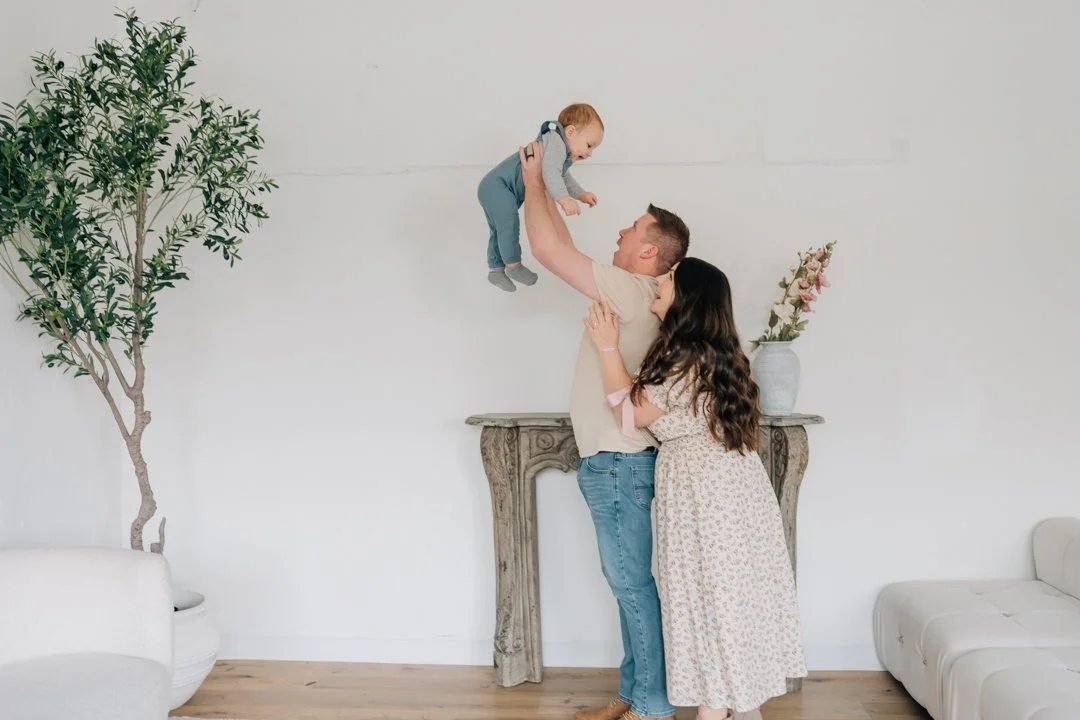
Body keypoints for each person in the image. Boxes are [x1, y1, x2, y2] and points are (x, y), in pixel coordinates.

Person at [582, 259, 808, 720]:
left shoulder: (683, 359)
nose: (656, 290)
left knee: (707, 599)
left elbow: (630, 415)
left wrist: (607, 349)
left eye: (664, 284)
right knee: (727, 598)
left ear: (685, 298)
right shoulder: (717, 354)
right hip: (735, 484)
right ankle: (726, 704)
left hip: (702, 491)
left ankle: (714, 708)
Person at [518, 139, 689, 720]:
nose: (619, 231)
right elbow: (560, 245)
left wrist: (535, 181)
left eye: (631, 227)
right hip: (616, 461)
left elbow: (546, 247)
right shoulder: (637, 290)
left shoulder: (630, 290)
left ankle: (653, 708)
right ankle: (633, 696)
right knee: (631, 589)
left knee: (633, 590)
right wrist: (542, 188)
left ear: (649, 251)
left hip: (618, 463)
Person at [478, 103, 603, 292]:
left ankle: (496, 270)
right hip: (499, 186)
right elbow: (551, 172)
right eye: (589, 145)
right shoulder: (555, 142)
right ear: (570, 132)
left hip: (494, 188)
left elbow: (562, 176)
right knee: (508, 225)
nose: (590, 153)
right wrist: (564, 199)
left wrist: (580, 194)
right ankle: (513, 266)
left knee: (498, 230)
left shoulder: (558, 149)